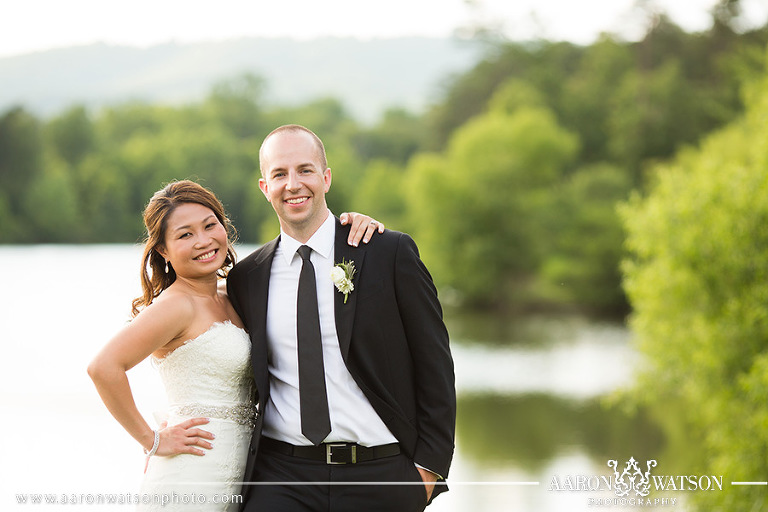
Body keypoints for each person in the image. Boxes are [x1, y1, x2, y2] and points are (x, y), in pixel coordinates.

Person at [88, 179, 383, 511]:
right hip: (193, 470)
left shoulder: (234, 293)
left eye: (210, 225)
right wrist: (152, 440)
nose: (203, 241)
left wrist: (351, 229)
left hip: (244, 470)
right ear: (163, 251)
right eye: (185, 235)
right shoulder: (174, 306)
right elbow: (103, 368)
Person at [226, 125, 456, 512]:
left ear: (326, 178)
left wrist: (428, 471)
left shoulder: (387, 252)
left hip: (380, 475)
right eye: (280, 174)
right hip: (282, 477)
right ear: (264, 187)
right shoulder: (247, 278)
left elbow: (434, 363)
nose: (293, 184)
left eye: (305, 170)